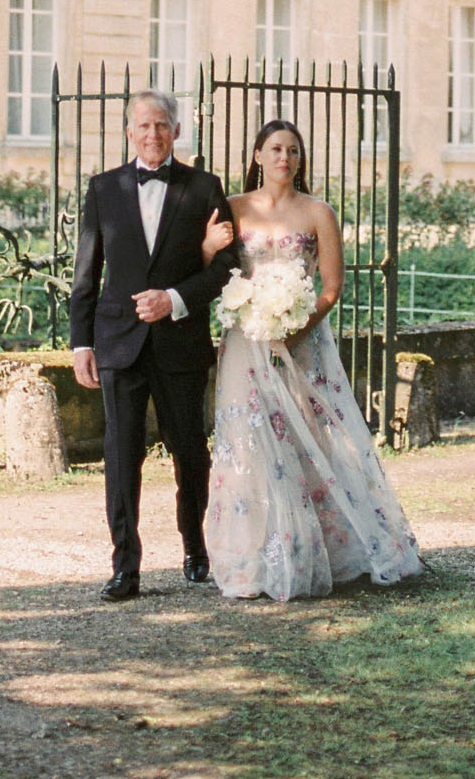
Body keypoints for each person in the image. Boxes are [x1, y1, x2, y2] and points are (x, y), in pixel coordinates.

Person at [202, 117, 422, 601]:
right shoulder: (232, 208)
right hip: (246, 340)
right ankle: (256, 555)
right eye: (276, 149)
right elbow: (210, 270)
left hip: (304, 340)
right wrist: (207, 250)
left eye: (294, 151)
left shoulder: (318, 212)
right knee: (251, 435)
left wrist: (294, 325)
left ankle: (325, 546)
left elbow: (331, 287)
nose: (285, 158)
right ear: (257, 155)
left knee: (315, 434)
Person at [70, 89, 235, 602]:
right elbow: (85, 274)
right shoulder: (102, 189)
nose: (152, 134)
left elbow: (227, 269)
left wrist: (175, 299)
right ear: (128, 133)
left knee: (190, 453)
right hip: (118, 343)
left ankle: (195, 547)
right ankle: (126, 565)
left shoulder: (205, 188)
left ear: (177, 131)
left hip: (180, 342)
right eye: (143, 126)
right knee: (121, 457)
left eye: (162, 125)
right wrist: (81, 344)